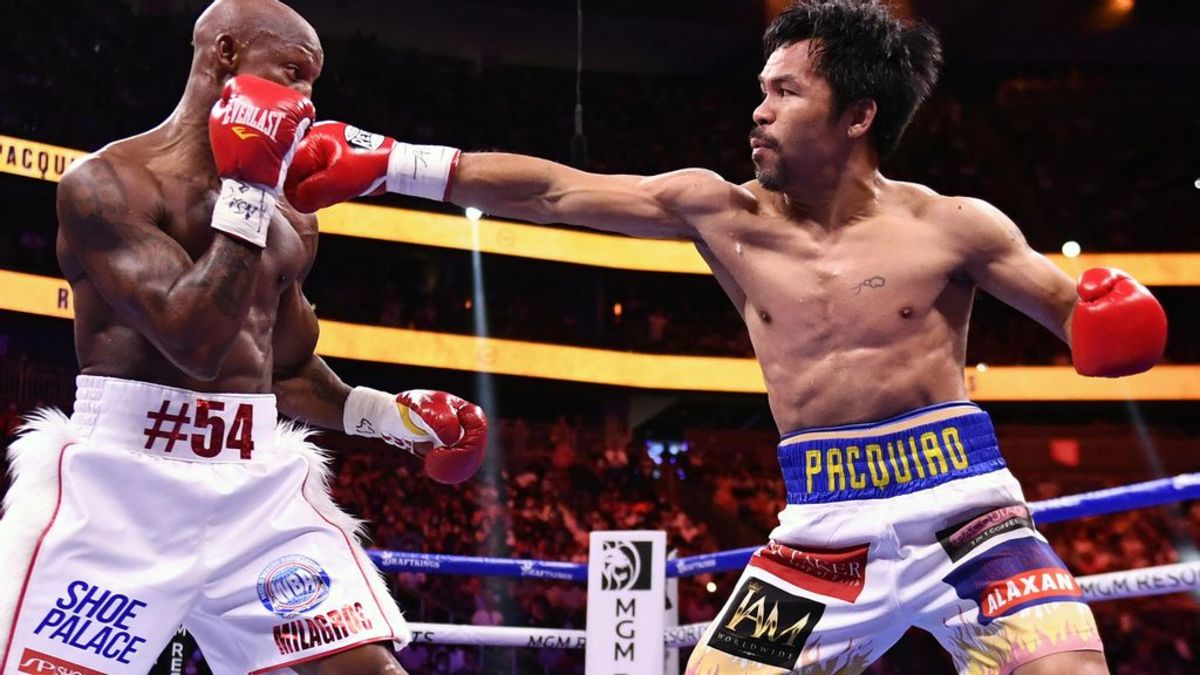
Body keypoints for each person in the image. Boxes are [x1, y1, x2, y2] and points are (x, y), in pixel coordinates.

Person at [282, 1, 1170, 672]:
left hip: (971, 515)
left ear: (857, 116)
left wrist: (1103, 314)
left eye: (786, 92)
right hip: (820, 534)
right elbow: (557, 191)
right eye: (761, 90)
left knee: (1065, 663)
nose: (759, 110)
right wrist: (391, 160)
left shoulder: (958, 226)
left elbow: (1072, 310)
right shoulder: (721, 211)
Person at [0, 1, 488, 673]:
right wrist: (249, 189)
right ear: (226, 54)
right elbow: (192, 339)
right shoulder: (107, 185)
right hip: (119, 488)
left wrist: (385, 414)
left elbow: (282, 368)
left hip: (255, 487)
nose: (308, 102)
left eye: (315, 82)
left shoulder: (292, 217)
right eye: (292, 71)